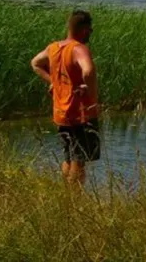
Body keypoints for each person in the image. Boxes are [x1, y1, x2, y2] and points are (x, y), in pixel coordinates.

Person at [30, 10, 100, 186]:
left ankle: (65, 193)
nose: (90, 33)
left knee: (69, 156)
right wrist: (91, 95)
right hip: (80, 113)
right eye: (90, 30)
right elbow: (88, 71)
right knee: (79, 159)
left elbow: (35, 63)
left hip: (61, 113)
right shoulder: (79, 49)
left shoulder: (53, 48)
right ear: (84, 29)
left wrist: (53, 82)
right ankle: (74, 195)